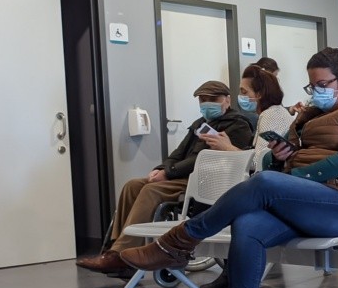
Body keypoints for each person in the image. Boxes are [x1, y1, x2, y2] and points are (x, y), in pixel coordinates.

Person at [119, 48, 338, 288]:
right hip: (313, 204)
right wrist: (279, 158)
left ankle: (178, 241)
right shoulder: (309, 117)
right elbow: (274, 163)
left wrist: (292, 177)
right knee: (247, 224)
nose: (316, 91)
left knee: (265, 184)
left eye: (323, 84)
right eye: (312, 85)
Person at [76, 81, 254, 277]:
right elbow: (179, 153)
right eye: (203, 100)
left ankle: (120, 255)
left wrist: (169, 173)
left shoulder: (237, 125)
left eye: (213, 99)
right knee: (132, 186)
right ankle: (116, 247)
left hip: (206, 181)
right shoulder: (199, 124)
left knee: (151, 190)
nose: (207, 104)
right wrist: (160, 169)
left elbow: (206, 160)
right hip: (183, 177)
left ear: (227, 100)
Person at [197, 64, 295, 288]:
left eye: (244, 92)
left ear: (259, 94)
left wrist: (228, 148)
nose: (241, 97)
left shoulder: (271, 115)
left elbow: (259, 162)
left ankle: (229, 271)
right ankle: (230, 271)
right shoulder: (273, 114)